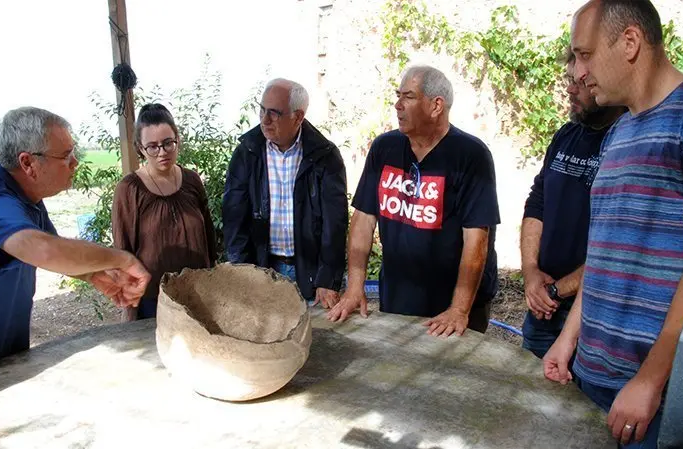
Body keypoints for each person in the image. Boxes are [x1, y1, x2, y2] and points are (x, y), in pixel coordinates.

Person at [543, 1, 683, 447]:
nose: (577, 72)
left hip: (653, 399)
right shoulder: (620, 132)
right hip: (589, 377)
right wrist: (568, 339)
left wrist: (651, 380)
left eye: (584, 54)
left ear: (631, 42)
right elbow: (603, 254)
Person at [0, 107, 150, 376]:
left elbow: (53, 249)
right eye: (65, 156)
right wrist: (122, 259)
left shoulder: (27, 196)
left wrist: (94, 273)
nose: (75, 163)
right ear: (28, 163)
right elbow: (44, 249)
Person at [328, 65, 500, 337]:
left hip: (453, 303)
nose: (398, 105)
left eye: (408, 97)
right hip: (398, 296)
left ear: (436, 106)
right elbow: (363, 219)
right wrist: (354, 288)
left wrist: (459, 309)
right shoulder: (384, 148)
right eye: (398, 96)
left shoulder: (471, 156)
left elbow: (477, 238)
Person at [520, 51, 626, 359]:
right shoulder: (566, 135)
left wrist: (556, 290)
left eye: (579, 82)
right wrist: (530, 272)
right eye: (568, 80)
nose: (570, 89)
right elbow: (537, 202)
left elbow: (617, 241)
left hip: (593, 316)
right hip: (543, 309)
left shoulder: (625, 143)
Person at [222, 78, 348, 307]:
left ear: (298, 117)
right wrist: (242, 273)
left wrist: (327, 279)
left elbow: (335, 224)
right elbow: (234, 218)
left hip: (310, 276)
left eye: (274, 113)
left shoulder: (325, 156)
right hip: (260, 271)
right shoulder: (247, 153)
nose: (264, 120)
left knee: (315, 340)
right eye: (262, 110)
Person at [111, 103, 217, 321]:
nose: (162, 153)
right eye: (152, 146)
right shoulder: (130, 189)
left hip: (198, 296)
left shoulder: (192, 181)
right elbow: (123, 253)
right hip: (154, 303)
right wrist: (129, 308)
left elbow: (209, 238)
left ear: (177, 139)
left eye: (168, 143)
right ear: (140, 148)